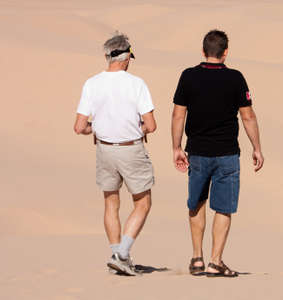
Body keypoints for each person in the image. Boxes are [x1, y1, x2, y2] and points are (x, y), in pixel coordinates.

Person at [171, 29, 264, 277]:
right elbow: (248, 116)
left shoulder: (188, 76)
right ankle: (215, 261)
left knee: (197, 203)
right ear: (225, 53)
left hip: (197, 153)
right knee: (223, 208)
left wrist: (176, 147)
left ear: (203, 51)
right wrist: (257, 148)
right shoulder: (235, 78)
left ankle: (197, 258)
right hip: (227, 154)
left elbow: (178, 114)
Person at [73, 33, 156, 276]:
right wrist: (136, 128)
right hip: (131, 148)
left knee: (111, 202)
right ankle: (121, 254)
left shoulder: (92, 83)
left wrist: (95, 129)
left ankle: (116, 254)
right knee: (143, 202)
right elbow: (151, 125)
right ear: (127, 56)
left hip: (104, 149)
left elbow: (79, 127)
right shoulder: (136, 83)